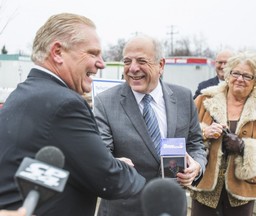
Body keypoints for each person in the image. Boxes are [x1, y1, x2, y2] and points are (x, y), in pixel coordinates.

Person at [0, 13, 146, 216]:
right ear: (58, 52)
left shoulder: (24, 93)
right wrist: (132, 172)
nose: (102, 63)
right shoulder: (65, 104)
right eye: (93, 53)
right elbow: (110, 180)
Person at [94, 34, 207, 216]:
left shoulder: (184, 97)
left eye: (141, 61)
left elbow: (196, 145)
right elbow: (101, 153)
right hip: (123, 208)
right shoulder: (105, 102)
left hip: (170, 206)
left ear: (160, 65)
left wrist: (197, 166)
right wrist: (112, 164)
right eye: (127, 61)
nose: (132, 69)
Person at [190, 51, 256, 216]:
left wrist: (244, 147)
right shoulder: (203, 101)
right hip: (204, 188)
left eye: (247, 76)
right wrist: (204, 132)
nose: (240, 79)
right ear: (228, 75)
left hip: (242, 192)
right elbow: (184, 134)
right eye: (236, 73)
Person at [193, 50, 256, 121]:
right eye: (219, 62)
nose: (222, 66)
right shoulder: (204, 89)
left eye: (225, 63)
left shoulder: (251, 94)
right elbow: (190, 115)